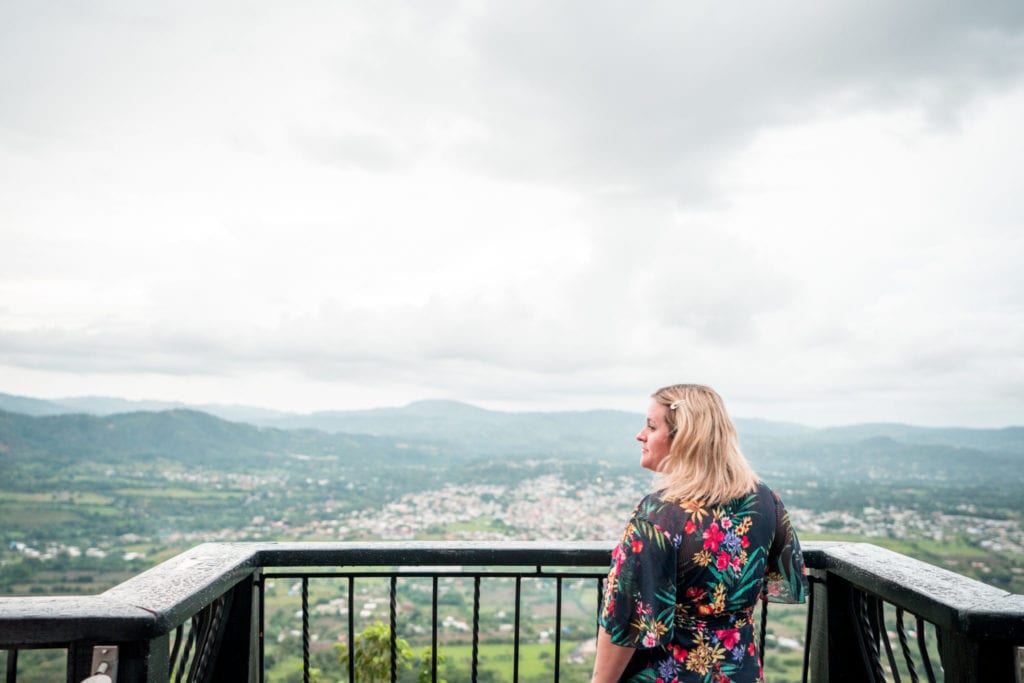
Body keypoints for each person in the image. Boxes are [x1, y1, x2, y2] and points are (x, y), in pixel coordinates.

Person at [592, 384, 807, 683]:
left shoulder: (658, 515)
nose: (640, 435)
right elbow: (776, 576)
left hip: (668, 673)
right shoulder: (765, 501)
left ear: (683, 439)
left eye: (652, 427)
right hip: (738, 669)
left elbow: (626, 619)